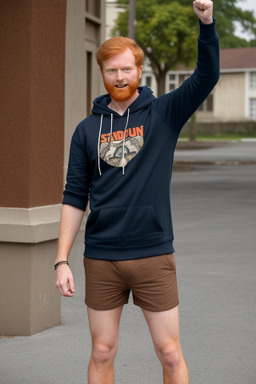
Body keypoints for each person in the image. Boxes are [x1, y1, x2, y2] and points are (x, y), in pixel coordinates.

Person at [55, 1, 219, 383]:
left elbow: (206, 76)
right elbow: (75, 195)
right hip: (102, 256)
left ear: (139, 71)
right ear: (102, 74)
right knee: (101, 350)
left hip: (153, 253)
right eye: (112, 70)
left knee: (169, 353)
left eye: (127, 68)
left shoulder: (163, 113)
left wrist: (207, 23)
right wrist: (61, 259)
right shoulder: (85, 131)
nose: (120, 76)